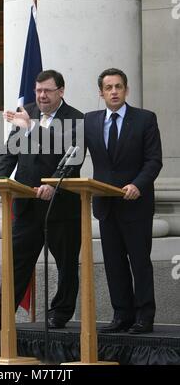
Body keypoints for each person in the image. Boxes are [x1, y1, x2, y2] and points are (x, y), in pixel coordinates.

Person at [0, 69, 84, 329]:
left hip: (61, 207)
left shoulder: (77, 119)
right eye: (38, 91)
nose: (41, 96)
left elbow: (69, 158)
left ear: (61, 91)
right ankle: (0, 314)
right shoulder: (27, 113)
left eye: (47, 91)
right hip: (27, 205)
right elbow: (9, 153)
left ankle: (60, 312)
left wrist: (32, 128)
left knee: (67, 265)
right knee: (17, 262)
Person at [84, 68, 162, 334]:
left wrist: (138, 185)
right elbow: (68, 149)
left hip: (136, 204)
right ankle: (122, 315)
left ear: (126, 90)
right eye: (108, 88)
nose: (114, 91)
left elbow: (154, 161)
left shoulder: (145, 119)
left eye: (118, 86)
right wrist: (31, 127)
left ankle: (144, 316)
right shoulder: (90, 121)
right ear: (101, 93)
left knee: (139, 261)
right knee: (113, 263)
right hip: (106, 205)